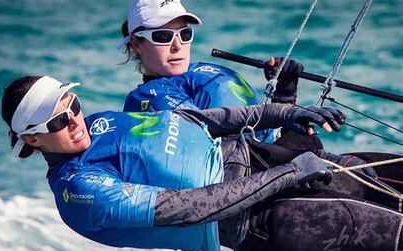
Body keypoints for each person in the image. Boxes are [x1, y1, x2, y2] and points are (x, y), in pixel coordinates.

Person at [2, 75, 402, 251]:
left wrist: (286, 113)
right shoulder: (79, 192)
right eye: (57, 120)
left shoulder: (101, 122)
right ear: (32, 140)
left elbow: (200, 121)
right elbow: (191, 207)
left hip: (270, 161)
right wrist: (288, 174)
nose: (73, 120)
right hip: (269, 221)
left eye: (72, 104)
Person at [118, 0, 306, 144]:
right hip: (259, 175)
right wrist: (282, 113)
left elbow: (271, 133)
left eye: (184, 34)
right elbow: (202, 132)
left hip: (289, 148)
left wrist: (284, 95)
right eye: (163, 36)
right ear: (136, 43)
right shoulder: (147, 97)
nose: (177, 45)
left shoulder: (203, 69)